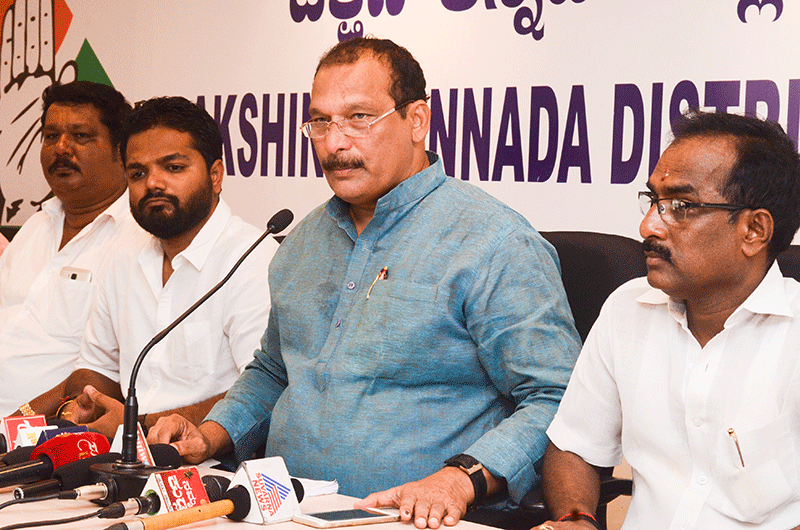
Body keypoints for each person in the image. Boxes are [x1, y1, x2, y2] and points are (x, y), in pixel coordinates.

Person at [149, 37, 580, 529]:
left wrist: (458, 480)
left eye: (359, 118)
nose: (334, 143)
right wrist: (209, 435)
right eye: (320, 122)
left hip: (415, 518)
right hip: (282, 510)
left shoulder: (493, 242)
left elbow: (558, 398)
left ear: (417, 120)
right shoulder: (302, 241)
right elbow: (274, 371)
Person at [540, 110, 800, 530]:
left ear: (754, 230)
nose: (648, 226)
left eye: (681, 206)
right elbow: (574, 447)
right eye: (653, 201)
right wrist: (577, 519)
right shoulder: (627, 308)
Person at [23, 96, 278, 438]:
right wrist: (80, 405)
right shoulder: (124, 255)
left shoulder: (252, 259)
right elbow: (96, 368)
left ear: (215, 175)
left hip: (209, 456)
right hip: (122, 448)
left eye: (173, 168)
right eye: (138, 173)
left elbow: (261, 390)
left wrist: (139, 425)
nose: (153, 183)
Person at [0, 81, 139, 417]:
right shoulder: (36, 226)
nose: (61, 148)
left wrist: (17, 424)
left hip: (39, 434)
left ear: (120, 151)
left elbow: (104, 378)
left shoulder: (137, 241)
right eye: (51, 136)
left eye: (81, 136)